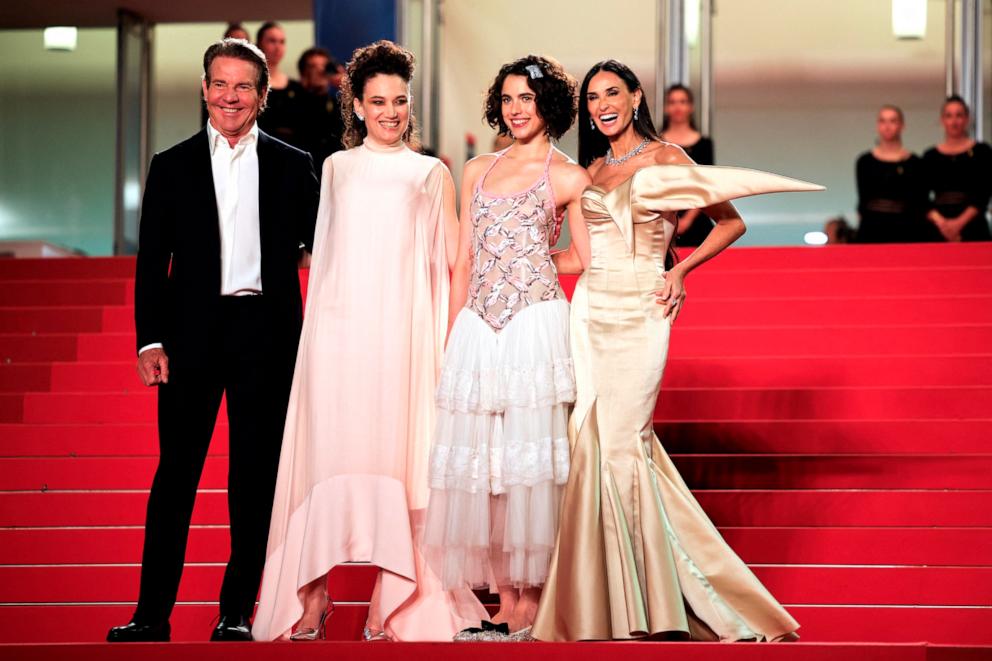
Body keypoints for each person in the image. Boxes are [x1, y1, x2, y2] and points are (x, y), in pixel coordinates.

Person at [532, 59, 819, 643]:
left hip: (642, 308)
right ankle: (614, 602)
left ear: (636, 96)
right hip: (587, 311)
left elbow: (730, 222)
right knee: (590, 445)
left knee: (623, 443)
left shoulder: (667, 158)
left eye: (613, 93)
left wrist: (681, 269)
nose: (602, 105)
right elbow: (572, 254)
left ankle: (661, 599)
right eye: (592, 98)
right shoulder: (587, 169)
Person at [251, 40, 486, 643]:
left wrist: (447, 339)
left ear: (411, 106)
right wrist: (317, 340)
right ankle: (313, 598)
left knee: (400, 461)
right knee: (329, 457)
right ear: (355, 104)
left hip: (405, 336)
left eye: (399, 101)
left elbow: (450, 263)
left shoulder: (431, 173)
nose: (389, 112)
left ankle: (395, 603)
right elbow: (325, 258)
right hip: (341, 334)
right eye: (377, 101)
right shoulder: (334, 168)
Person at [107, 38, 318, 643]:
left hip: (266, 336)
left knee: (253, 479)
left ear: (262, 94)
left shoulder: (291, 163)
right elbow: (152, 263)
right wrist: (149, 342)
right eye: (220, 84)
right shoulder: (169, 165)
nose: (230, 96)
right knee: (176, 475)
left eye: (243, 86)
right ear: (204, 88)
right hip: (190, 338)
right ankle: (151, 614)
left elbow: (325, 249)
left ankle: (237, 611)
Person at [423, 55, 591, 640]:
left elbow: (583, 259)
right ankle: (502, 603)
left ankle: (529, 607)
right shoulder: (476, 170)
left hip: (534, 326)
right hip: (478, 326)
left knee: (529, 464)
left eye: (529, 98)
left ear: (550, 107)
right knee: (489, 467)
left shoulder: (569, 176)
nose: (518, 108)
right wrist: (451, 334)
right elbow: (464, 258)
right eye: (510, 98)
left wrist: (534, 263)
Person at [855, 105, 934, 243]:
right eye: (883, 121)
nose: (887, 126)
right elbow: (863, 201)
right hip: (872, 231)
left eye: (893, 121)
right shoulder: (865, 162)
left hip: (906, 231)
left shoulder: (915, 162)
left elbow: (920, 201)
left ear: (902, 126)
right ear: (877, 125)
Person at [922, 95, 992, 242]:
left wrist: (958, 224)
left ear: (967, 119)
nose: (954, 122)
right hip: (938, 228)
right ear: (942, 120)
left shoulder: (983, 151)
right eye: (949, 116)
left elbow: (983, 193)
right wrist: (943, 224)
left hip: (974, 226)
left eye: (959, 115)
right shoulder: (930, 156)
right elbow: (920, 197)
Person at [659, 84, 715, 247]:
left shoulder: (704, 144)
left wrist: (687, 220)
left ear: (691, 107)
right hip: (663, 221)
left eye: (682, 102)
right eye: (673, 102)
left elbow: (706, 184)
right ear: (666, 108)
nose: (678, 107)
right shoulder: (655, 143)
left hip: (699, 222)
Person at [256, 22, 306, 148]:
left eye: (282, 42)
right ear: (259, 44)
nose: (278, 47)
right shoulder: (251, 85)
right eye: (272, 41)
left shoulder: (296, 88)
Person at [296, 46, 345, 172]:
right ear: (303, 72)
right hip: (303, 170)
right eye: (313, 66)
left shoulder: (337, 104)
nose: (320, 70)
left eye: (324, 65)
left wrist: (347, 87)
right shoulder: (292, 101)